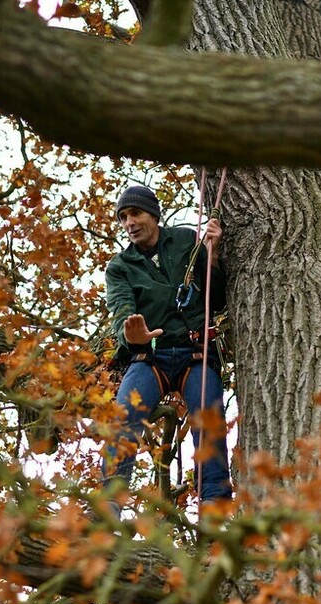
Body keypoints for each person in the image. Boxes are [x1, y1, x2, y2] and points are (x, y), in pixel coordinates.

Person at [101, 184, 232, 519]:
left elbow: (214, 298)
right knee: (125, 416)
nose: (129, 222)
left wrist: (213, 255)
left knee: (209, 420)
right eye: (124, 217)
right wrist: (134, 334)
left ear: (154, 216)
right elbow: (121, 310)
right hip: (150, 357)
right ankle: (110, 503)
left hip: (195, 352)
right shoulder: (121, 267)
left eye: (136, 214)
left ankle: (214, 506)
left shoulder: (186, 241)